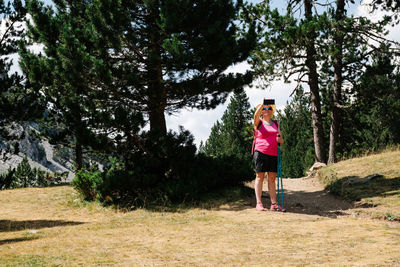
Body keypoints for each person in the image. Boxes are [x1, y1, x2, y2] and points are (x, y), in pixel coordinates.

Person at [252, 99, 284, 211]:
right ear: (261, 111)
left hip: (273, 153)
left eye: (269, 108)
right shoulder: (259, 123)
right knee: (260, 177)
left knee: (272, 178)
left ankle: (274, 204)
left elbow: (281, 140)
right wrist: (262, 104)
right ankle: (259, 203)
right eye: (264, 109)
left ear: (272, 111)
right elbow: (255, 116)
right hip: (260, 152)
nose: (267, 110)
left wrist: (280, 139)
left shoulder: (276, 123)